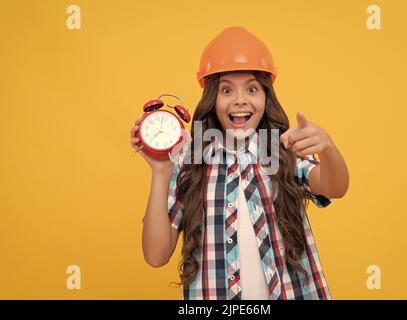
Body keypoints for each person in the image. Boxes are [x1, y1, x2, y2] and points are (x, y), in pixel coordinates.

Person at [130, 26, 349, 300]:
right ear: (212, 99)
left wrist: (327, 147)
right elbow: (155, 255)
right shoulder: (190, 162)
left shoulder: (281, 150)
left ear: (266, 97)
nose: (240, 100)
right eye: (226, 90)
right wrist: (161, 171)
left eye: (252, 89)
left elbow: (335, 187)